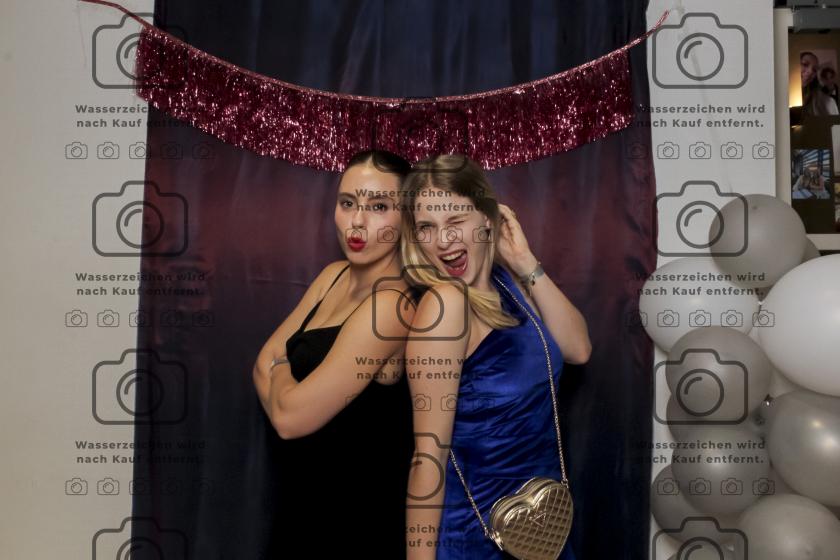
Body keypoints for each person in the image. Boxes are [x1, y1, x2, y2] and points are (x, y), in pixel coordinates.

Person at [399, 154, 591, 559]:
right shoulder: (445, 305)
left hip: (543, 527)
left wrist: (524, 261)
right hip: (476, 538)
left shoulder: (507, 283)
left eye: (455, 220)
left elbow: (578, 349)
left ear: (487, 218)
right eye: (427, 228)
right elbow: (428, 459)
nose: (443, 240)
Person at [252, 149, 419, 557]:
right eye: (347, 203)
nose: (357, 222)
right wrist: (285, 390)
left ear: (407, 219)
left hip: (352, 524)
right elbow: (258, 364)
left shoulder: (390, 306)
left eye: (378, 207)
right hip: (299, 509)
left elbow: (289, 419)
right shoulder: (333, 276)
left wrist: (281, 370)